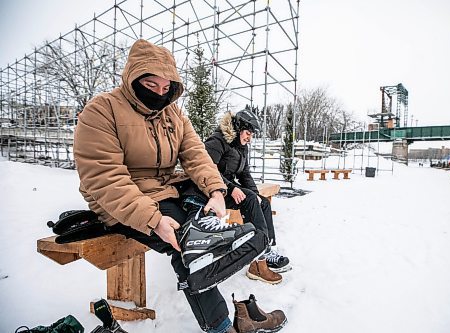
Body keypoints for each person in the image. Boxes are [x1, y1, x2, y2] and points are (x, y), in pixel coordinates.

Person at [73, 39, 285, 333]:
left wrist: (216, 191)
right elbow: (104, 177)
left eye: (166, 88)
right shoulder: (103, 110)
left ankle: (240, 271)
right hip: (122, 199)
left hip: (166, 189)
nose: (160, 94)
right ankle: (224, 325)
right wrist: (153, 219)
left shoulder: (173, 115)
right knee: (186, 244)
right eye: (151, 86)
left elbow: (196, 156)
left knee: (203, 226)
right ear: (133, 78)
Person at [204, 109, 291, 285]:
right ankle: (259, 255)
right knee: (249, 198)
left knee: (262, 201)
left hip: (225, 188)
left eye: (251, 134)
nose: (249, 137)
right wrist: (231, 187)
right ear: (237, 128)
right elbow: (207, 170)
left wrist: (256, 194)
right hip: (210, 190)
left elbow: (245, 175)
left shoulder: (241, 147)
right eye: (248, 133)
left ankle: (267, 249)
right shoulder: (217, 141)